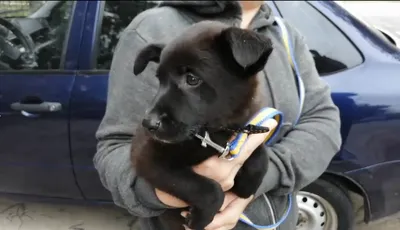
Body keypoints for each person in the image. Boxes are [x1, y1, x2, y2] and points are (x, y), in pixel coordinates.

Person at [94, 1, 342, 230]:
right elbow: (114, 148)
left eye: (191, 79)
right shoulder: (152, 27)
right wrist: (176, 191)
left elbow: (323, 120)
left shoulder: (285, 36)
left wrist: (265, 172)